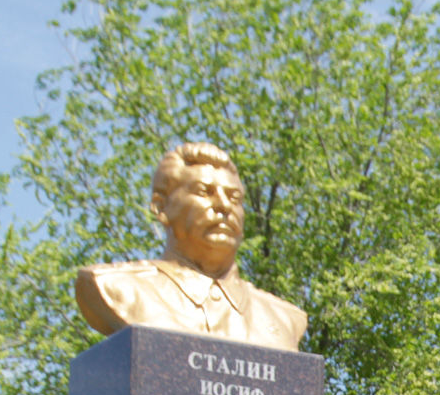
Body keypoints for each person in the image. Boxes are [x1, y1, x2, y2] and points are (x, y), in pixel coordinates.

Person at [75, 141, 308, 350]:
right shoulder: (117, 288)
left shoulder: (285, 317)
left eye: (234, 198)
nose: (224, 206)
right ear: (160, 207)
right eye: (204, 192)